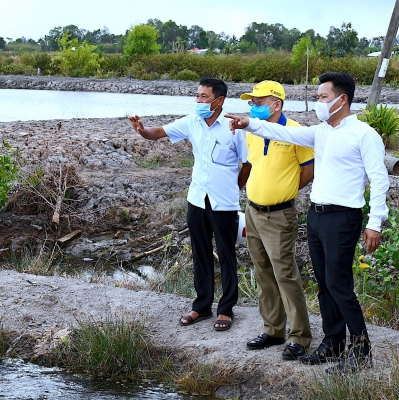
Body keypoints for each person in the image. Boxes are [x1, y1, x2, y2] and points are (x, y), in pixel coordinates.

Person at [226, 72, 389, 374]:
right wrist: (250, 123)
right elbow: (284, 134)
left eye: (323, 97)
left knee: (340, 285)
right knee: (325, 285)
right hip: (317, 215)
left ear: (342, 99)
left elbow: (379, 180)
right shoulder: (322, 132)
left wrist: (375, 223)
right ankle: (334, 342)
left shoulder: (364, 135)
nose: (319, 102)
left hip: (344, 217)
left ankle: (362, 349)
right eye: (317, 97)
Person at [129, 77, 248, 331]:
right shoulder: (192, 122)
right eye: (197, 96)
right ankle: (202, 306)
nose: (199, 101)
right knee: (200, 253)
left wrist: (232, 188)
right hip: (197, 199)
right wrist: (142, 131)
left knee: (227, 255)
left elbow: (247, 164)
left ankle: (226, 309)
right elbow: (158, 133)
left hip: (224, 203)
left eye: (204, 97)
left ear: (219, 100)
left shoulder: (234, 127)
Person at [238, 81, 315, 361]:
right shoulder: (252, 131)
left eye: (259, 102)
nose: (254, 107)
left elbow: (309, 168)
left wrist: (287, 191)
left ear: (276, 104)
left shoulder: (294, 131)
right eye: (252, 102)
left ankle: (300, 337)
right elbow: (252, 165)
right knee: (262, 272)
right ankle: (273, 330)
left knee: (285, 273)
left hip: (279, 214)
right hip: (253, 211)